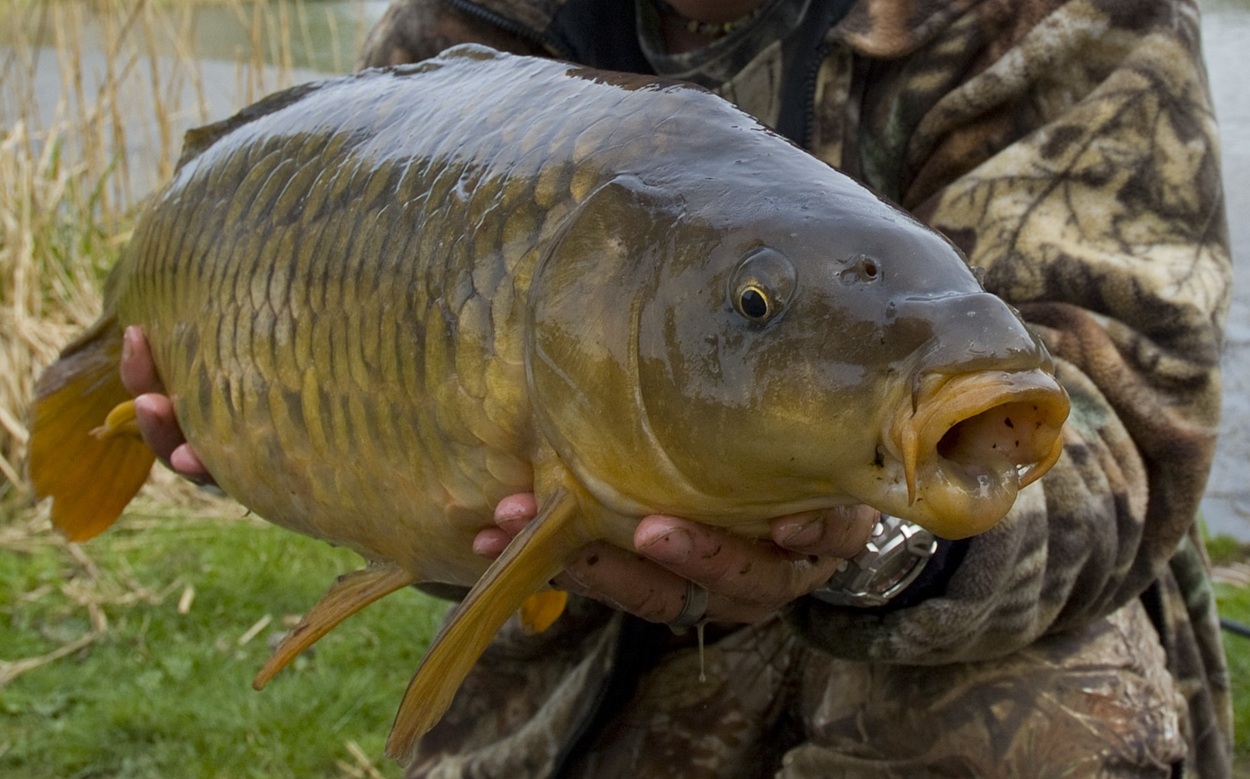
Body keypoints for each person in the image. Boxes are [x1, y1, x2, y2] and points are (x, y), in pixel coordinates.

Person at [121, 0, 1234, 775]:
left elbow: (1129, 411)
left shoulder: (1056, 16)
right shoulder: (465, 33)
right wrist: (283, 448)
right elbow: (434, 479)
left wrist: (882, 545)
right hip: (576, 651)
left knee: (1044, 731)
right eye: (755, 303)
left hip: (958, 629)